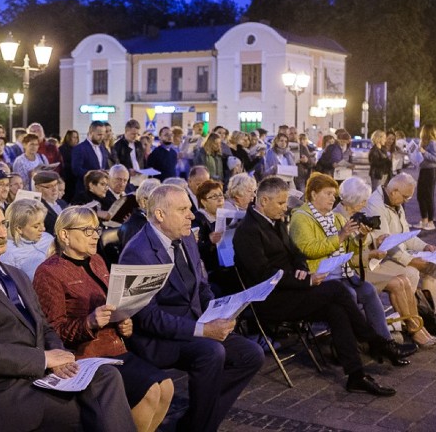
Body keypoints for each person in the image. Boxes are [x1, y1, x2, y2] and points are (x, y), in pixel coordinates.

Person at [0, 196, 137, 432]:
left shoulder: (15, 273)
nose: (1, 233)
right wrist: (45, 359)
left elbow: (45, 326)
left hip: (40, 376)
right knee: (96, 409)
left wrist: (59, 357)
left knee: (107, 377)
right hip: (4, 392)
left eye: (2, 225)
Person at [234, 176, 399, 396]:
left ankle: (356, 375)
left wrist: (304, 270)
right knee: (336, 290)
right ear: (263, 201)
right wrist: (305, 279)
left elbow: (296, 254)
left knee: (336, 310)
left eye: (285, 203)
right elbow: (264, 275)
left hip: (292, 290)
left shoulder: (276, 222)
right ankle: (373, 339)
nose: (285, 208)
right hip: (270, 300)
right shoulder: (247, 231)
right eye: (281, 203)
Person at [118, 184, 264, 430]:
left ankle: (193, 423)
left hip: (195, 323)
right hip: (157, 338)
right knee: (211, 353)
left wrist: (222, 312)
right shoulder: (138, 253)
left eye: (190, 208)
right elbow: (147, 317)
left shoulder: (185, 236)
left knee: (251, 354)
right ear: (160, 215)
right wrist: (202, 330)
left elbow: (202, 286)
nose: (192, 215)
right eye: (183, 209)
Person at [33, 206, 174, 432]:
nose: (95, 235)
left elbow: (112, 303)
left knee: (167, 387)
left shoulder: (97, 260)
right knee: (151, 391)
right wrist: (88, 323)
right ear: (64, 235)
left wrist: (124, 322)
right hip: (85, 355)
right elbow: (52, 330)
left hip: (114, 346)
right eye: (87, 230)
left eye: (96, 229)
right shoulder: (49, 272)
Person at [290, 174, 415, 362]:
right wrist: (340, 236)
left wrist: (361, 238)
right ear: (314, 194)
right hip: (321, 277)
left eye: (334, 194)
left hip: (343, 274)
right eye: (328, 194)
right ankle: (359, 346)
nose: (333, 198)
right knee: (350, 294)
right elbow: (309, 250)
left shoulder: (335, 218)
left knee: (369, 290)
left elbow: (351, 251)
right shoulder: (301, 218)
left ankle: (385, 343)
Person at [336, 177, 436, 348]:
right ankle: (414, 330)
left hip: (365, 263)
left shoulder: (353, 214)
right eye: (363, 201)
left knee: (404, 280)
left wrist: (374, 240)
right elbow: (347, 255)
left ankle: (417, 327)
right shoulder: (340, 218)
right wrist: (371, 251)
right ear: (353, 201)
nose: (365, 204)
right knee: (399, 283)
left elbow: (361, 243)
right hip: (355, 269)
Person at [363, 173, 436, 334]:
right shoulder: (376, 206)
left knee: (434, 265)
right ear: (394, 191)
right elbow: (386, 244)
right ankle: (408, 320)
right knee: (411, 273)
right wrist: (410, 261)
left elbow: (406, 236)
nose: (407, 201)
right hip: (380, 259)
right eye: (405, 197)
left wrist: (426, 247)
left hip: (396, 254)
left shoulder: (395, 202)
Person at [193, 180, 236, 296]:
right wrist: (210, 242)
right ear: (204, 202)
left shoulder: (225, 216)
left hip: (229, 264)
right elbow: (194, 249)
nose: (220, 199)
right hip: (212, 272)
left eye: (221, 195)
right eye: (213, 196)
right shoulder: (198, 220)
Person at [1, 199, 55, 280]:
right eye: (36, 226)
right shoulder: (8, 251)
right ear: (19, 228)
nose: (43, 229)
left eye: (43, 222)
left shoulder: (48, 238)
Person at [117, 178, 161, 249]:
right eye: (157, 200)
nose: (161, 204)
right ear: (143, 202)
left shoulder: (158, 221)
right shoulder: (131, 227)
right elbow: (132, 257)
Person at [71, 121, 111, 193]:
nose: (102, 137)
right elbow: (76, 170)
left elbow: (104, 165)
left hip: (101, 190)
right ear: (91, 132)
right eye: (99, 134)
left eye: (103, 135)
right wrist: (94, 173)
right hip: (85, 190)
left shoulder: (102, 147)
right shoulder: (80, 148)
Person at [415, 125, 436, 230]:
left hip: (430, 171)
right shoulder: (423, 142)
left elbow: (435, 159)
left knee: (429, 196)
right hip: (423, 170)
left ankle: (431, 221)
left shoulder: (432, 143)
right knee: (420, 195)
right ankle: (424, 219)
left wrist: (424, 152)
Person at [34, 170, 67, 234]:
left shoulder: (62, 203)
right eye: (49, 187)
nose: (54, 189)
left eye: (55, 185)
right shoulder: (36, 208)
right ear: (38, 188)